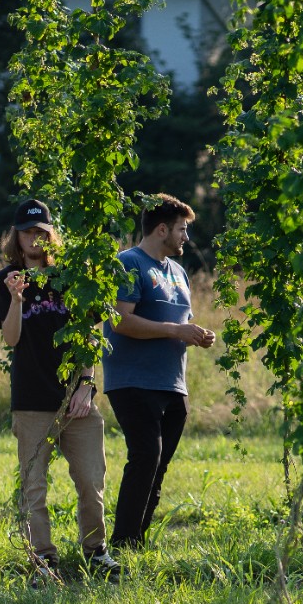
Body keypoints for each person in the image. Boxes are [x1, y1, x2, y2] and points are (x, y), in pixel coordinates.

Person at [0, 198, 122, 579]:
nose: (35, 238)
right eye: (28, 232)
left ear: (50, 235)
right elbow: (11, 340)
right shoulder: (6, 280)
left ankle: (96, 553)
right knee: (34, 487)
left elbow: (88, 338)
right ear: (17, 236)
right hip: (31, 401)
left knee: (91, 480)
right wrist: (16, 298)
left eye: (41, 232)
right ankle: (43, 560)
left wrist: (87, 386)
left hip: (76, 402)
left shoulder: (70, 278)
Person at [103, 193, 215, 551]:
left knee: (159, 465)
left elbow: (180, 321)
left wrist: (195, 334)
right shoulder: (129, 263)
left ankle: (137, 542)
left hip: (172, 383)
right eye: (182, 230)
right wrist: (175, 331)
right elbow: (119, 320)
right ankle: (121, 543)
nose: (186, 237)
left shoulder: (178, 271)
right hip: (133, 382)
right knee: (145, 457)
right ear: (162, 229)